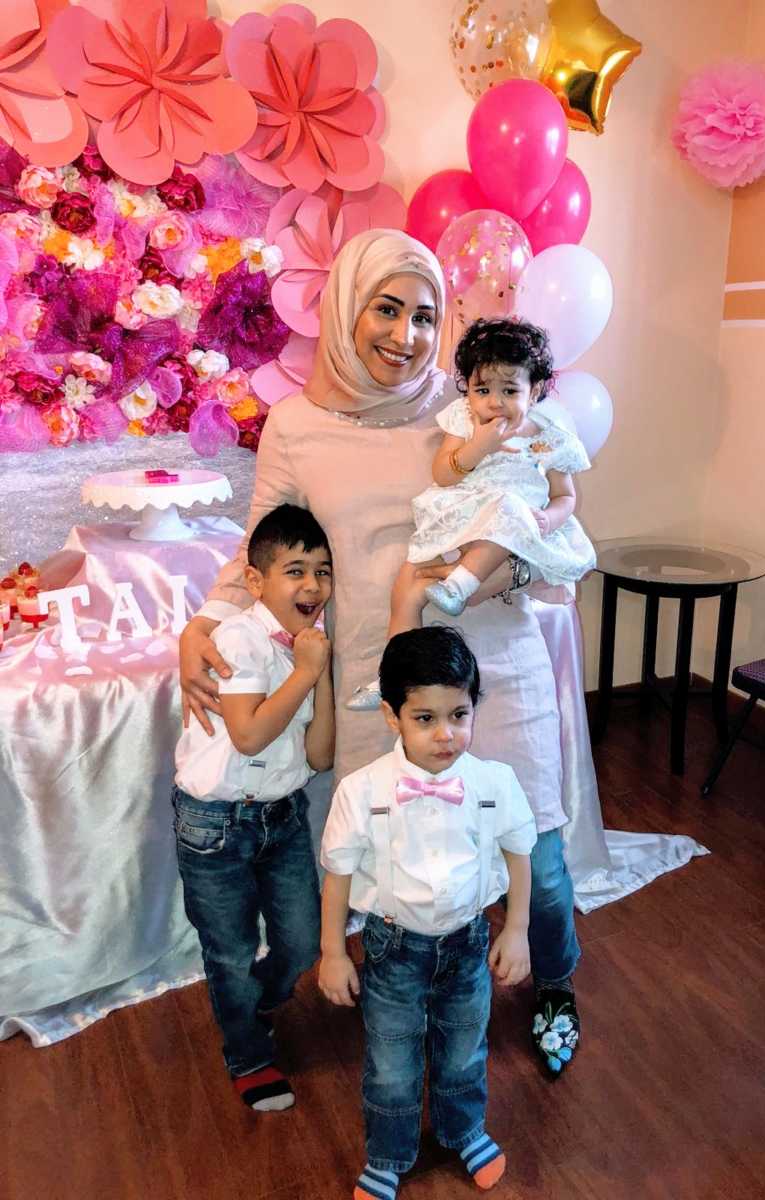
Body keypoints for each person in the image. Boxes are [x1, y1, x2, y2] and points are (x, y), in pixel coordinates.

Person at [179, 229, 584, 1076]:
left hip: (493, 656)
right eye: (386, 308)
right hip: (378, 678)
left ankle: (555, 983)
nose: (406, 336)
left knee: (535, 858)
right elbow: (260, 547)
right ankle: (418, 1001)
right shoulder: (295, 425)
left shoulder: (470, 402)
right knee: (404, 859)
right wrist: (203, 624)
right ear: (345, 309)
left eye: (426, 316)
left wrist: (519, 557)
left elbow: (545, 499)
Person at [319, 627, 536, 1200]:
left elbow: (518, 850)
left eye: (459, 714)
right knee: (392, 1061)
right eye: (424, 718)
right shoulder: (362, 790)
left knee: (465, 1046)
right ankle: (389, 1154)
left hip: (467, 942)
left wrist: (516, 929)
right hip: (393, 949)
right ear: (392, 716)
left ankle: (463, 1129)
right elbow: (338, 873)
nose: (446, 734)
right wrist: (334, 952)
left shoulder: (494, 782)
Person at [173, 503, 334, 1111]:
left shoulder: (309, 646)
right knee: (231, 949)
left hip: (282, 813)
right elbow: (247, 734)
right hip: (213, 822)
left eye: (323, 571)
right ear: (257, 580)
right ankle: (246, 1053)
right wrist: (308, 669)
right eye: (296, 570)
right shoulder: (238, 636)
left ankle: (256, 1003)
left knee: (302, 941)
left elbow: (319, 756)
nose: (313, 585)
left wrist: (321, 673)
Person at [346, 317, 596, 709]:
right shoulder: (464, 420)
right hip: (459, 517)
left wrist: (551, 518)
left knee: (510, 511)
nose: (494, 402)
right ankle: (391, 676)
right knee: (407, 587)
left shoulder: (549, 439)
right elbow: (443, 473)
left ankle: (463, 583)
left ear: (535, 393)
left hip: (509, 532)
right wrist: (478, 445)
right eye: (482, 389)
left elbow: (565, 495)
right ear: (468, 391)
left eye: (509, 390)